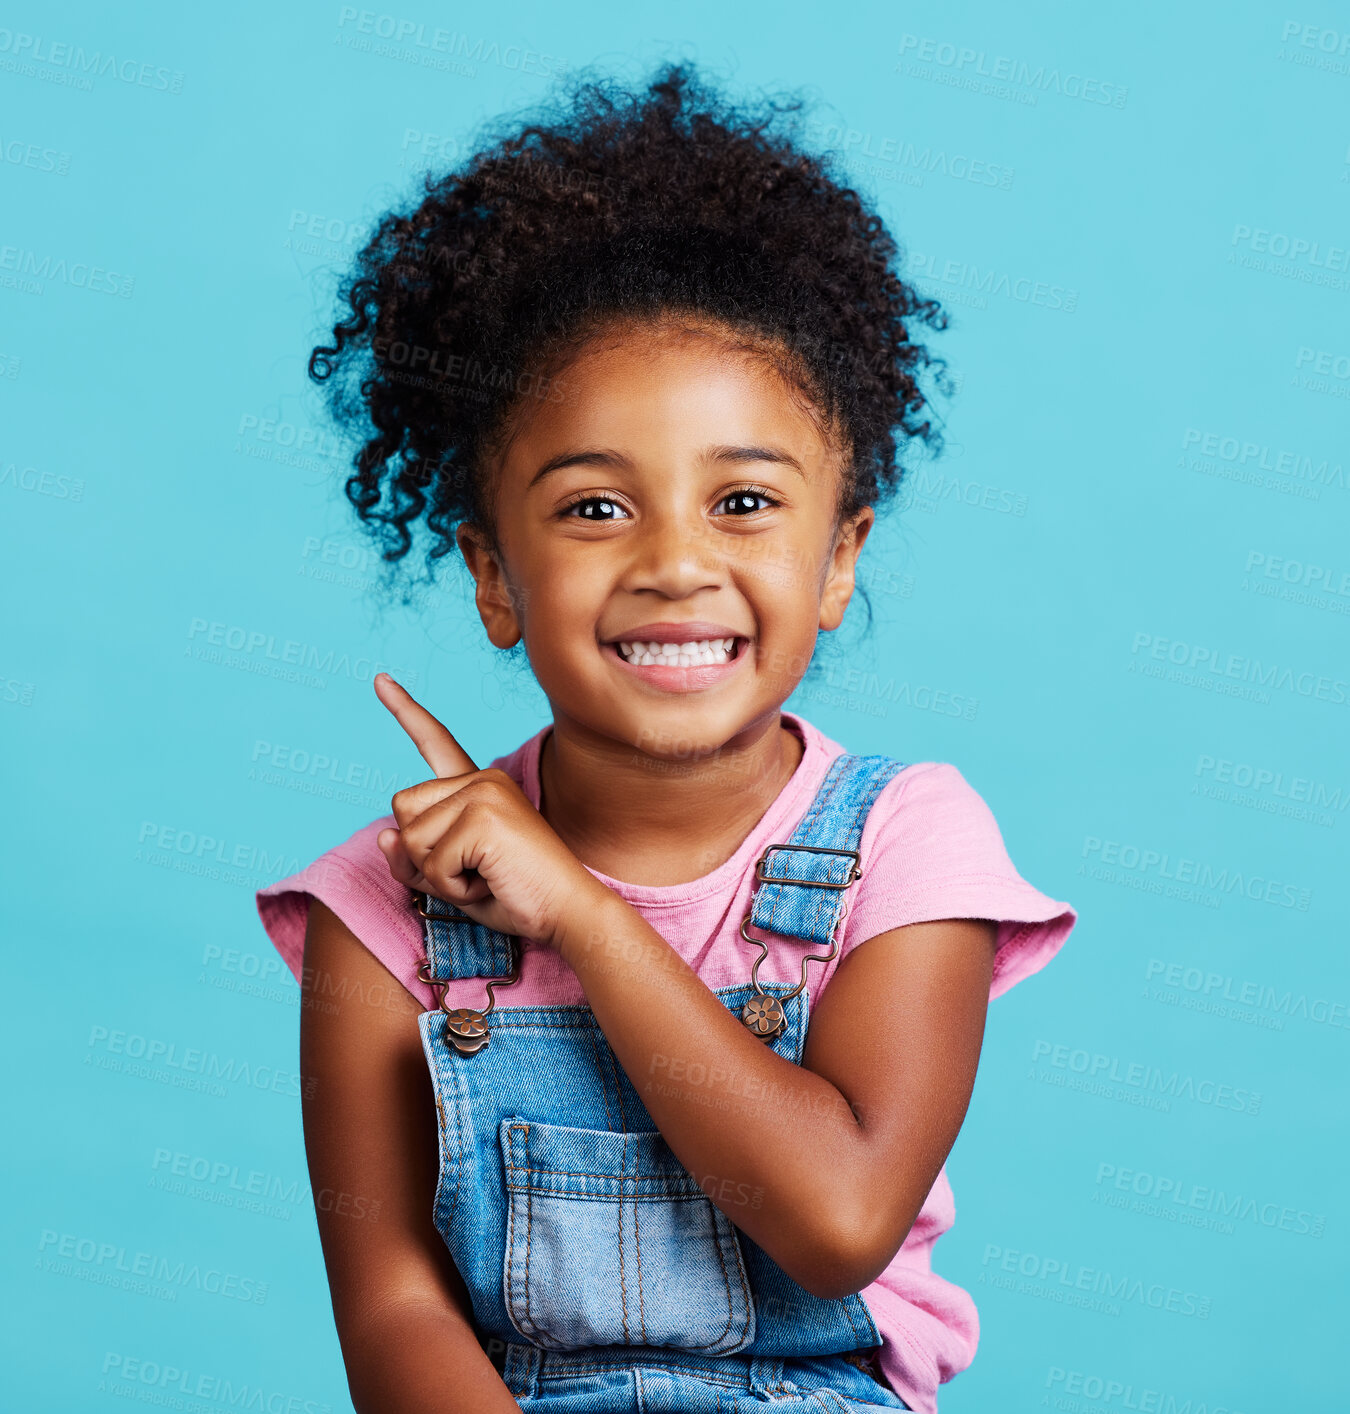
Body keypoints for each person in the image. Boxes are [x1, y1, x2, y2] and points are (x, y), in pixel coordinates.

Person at [255, 60, 1076, 1414]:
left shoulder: (906, 843)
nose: (674, 564)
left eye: (743, 501)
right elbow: (392, 1300)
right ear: (492, 576)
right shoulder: (373, 913)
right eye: (592, 510)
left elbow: (835, 1218)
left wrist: (576, 910)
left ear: (836, 559)